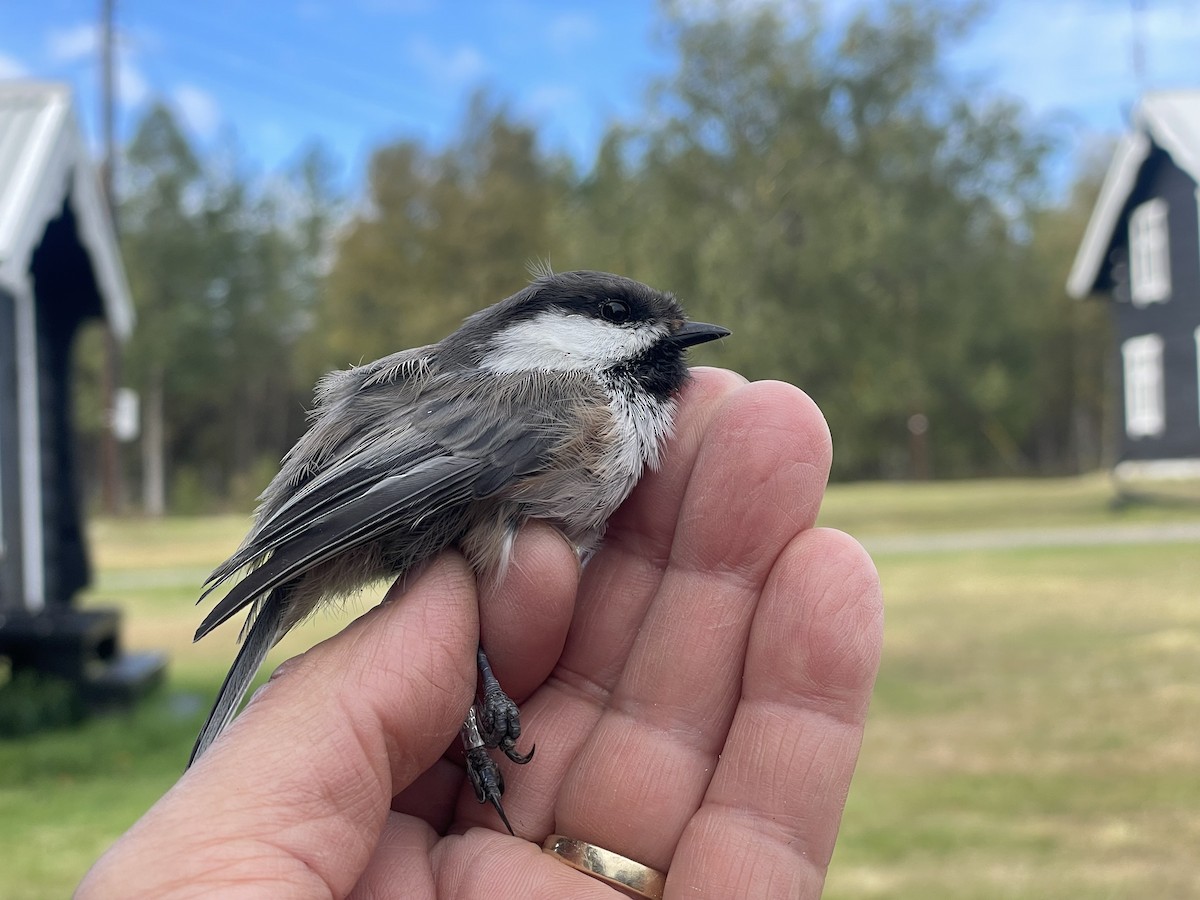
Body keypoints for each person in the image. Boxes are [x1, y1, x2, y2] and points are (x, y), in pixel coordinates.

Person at [78, 370, 883, 899]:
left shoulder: (542, 390)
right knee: (473, 604)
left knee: (492, 600)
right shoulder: (560, 396)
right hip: (370, 519)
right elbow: (409, 489)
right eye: (618, 315)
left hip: (410, 540)